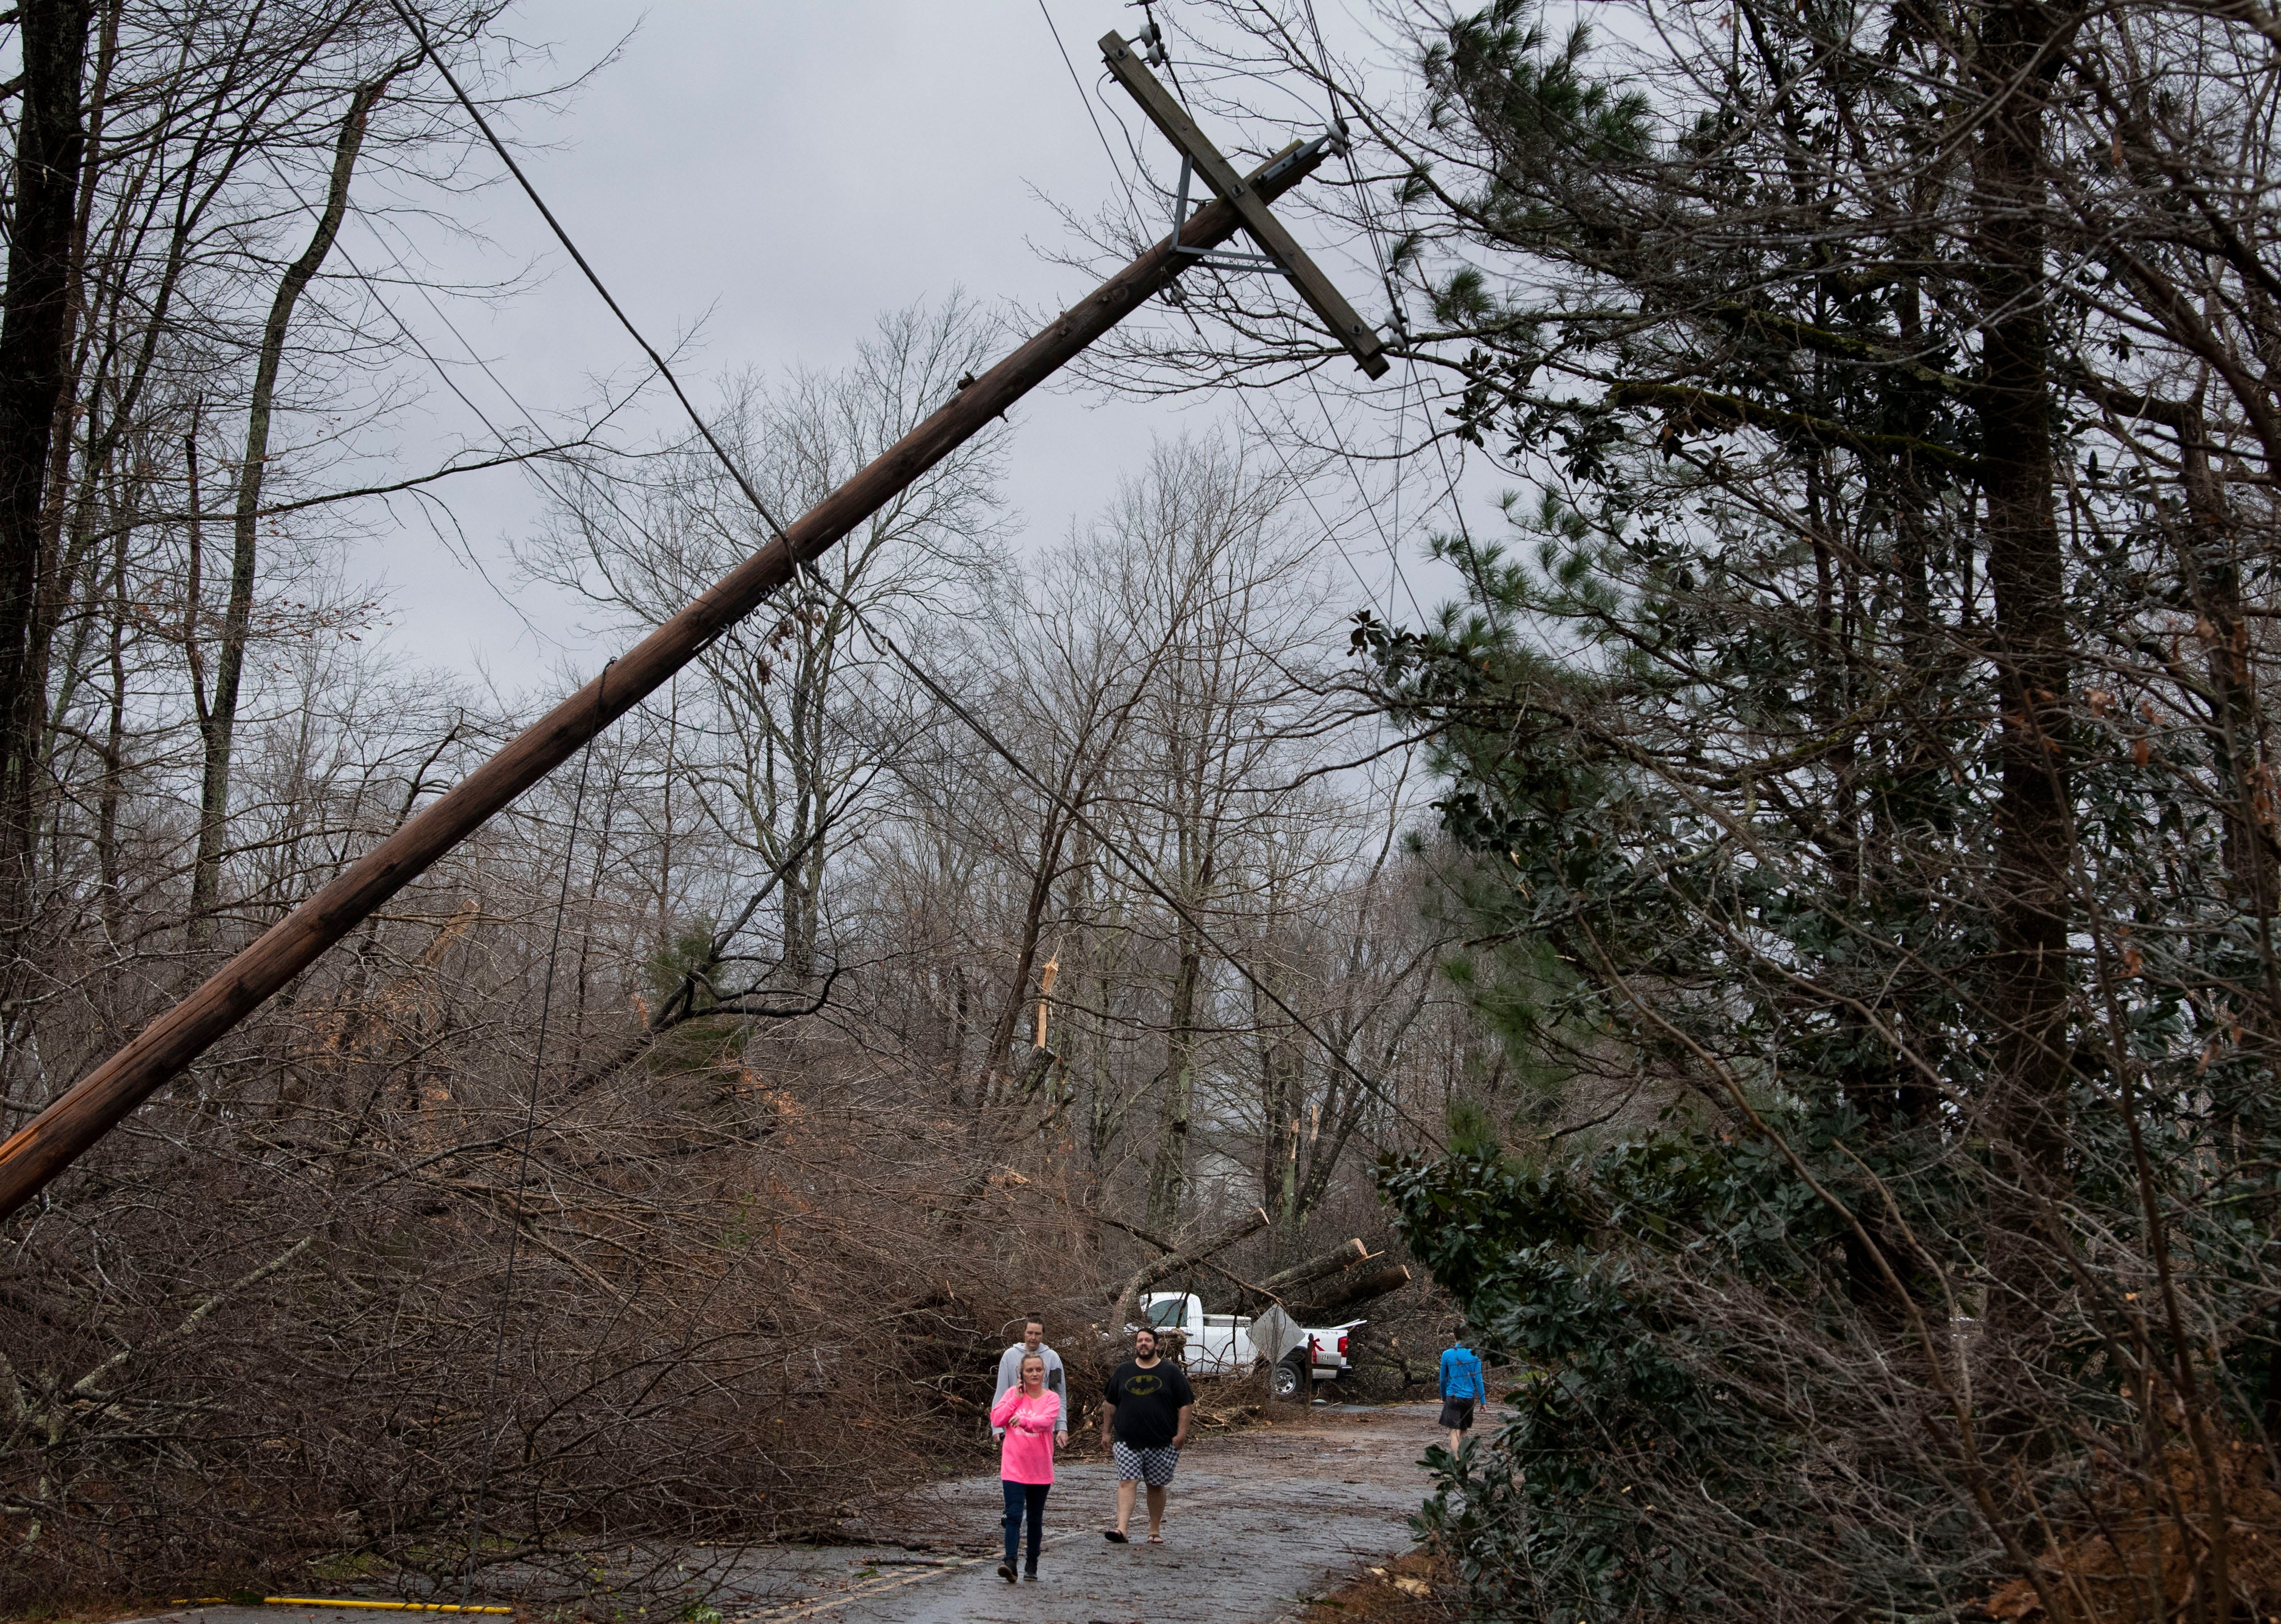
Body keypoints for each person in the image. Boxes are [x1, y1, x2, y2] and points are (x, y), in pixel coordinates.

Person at [1098, 1323, 1194, 1545]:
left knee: (1155, 1484)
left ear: (1157, 1345)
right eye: (1140, 1340)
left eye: (1148, 1340)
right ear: (1136, 1345)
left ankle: (1154, 1530)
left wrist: (1181, 1434)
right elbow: (1110, 1403)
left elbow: (1185, 1405)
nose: (1143, 1344)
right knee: (1127, 1481)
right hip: (1127, 1440)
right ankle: (1121, 1529)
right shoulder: (1124, 1371)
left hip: (1161, 1440)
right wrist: (1106, 1432)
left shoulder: (1171, 1372)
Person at [989, 1351, 1068, 1582]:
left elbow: (1045, 1423)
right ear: (1021, 1373)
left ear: (1044, 1373)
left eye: (1038, 1370)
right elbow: (997, 1419)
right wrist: (1015, 1399)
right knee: (1013, 1515)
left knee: (1034, 1518)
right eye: (1030, 1370)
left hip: (1039, 1469)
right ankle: (1010, 1562)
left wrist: (1024, 1421)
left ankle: (1032, 1562)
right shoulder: (1012, 1394)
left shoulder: (1051, 1398)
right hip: (1013, 1467)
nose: (1034, 1374)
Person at [992, 1318, 1066, 1439]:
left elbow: (1060, 1394)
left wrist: (1062, 1426)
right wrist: (996, 1428)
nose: (1033, 1338)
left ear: (1043, 1335)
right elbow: (1001, 1392)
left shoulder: (1053, 1358)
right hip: (1014, 1427)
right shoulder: (1010, 1356)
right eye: (1030, 1333)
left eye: (1038, 1334)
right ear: (1024, 1333)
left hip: (1042, 1427)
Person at [1439, 1326, 1487, 1455]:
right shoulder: (1475, 1355)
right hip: (1468, 1398)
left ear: (1454, 1337)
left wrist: (1443, 1396)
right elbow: (1479, 1380)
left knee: (1454, 1431)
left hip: (1453, 1396)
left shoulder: (1447, 1354)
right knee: (1464, 1431)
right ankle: (1463, 1458)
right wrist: (1483, 1402)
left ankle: (1456, 1460)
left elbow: (1443, 1379)